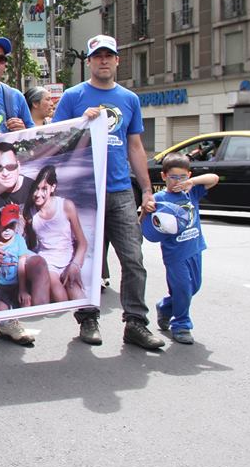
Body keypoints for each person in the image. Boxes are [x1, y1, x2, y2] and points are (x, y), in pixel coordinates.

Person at [52, 34, 165, 349]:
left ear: (117, 60)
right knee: (86, 259)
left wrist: (146, 189)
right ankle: (87, 319)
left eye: (109, 55)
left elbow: (135, 145)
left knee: (133, 259)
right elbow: (57, 139)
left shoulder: (129, 99)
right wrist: (79, 124)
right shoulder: (74, 97)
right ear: (89, 62)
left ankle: (136, 324)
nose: (103, 60)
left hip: (119, 192)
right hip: (85, 192)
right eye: (97, 55)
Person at [0, 142, 48, 345]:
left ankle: (30, 311)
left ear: (19, 165)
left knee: (39, 263)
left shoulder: (32, 188)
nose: (5, 173)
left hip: (23, 251)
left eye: (10, 166)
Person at [142, 153, 219, 344]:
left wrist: (191, 182)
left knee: (194, 287)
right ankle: (182, 324)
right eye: (173, 177)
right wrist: (146, 210)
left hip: (195, 248)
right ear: (163, 176)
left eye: (182, 177)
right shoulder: (159, 198)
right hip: (174, 254)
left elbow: (214, 178)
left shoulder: (191, 192)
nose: (177, 181)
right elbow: (145, 227)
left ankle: (166, 307)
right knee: (183, 288)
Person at [23, 165, 88, 302]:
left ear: (53, 188)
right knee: (60, 296)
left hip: (68, 259)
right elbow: (28, 241)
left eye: (43, 189)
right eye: (36, 188)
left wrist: (75, 265)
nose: (38, 194)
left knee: (76, 293)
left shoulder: (65, 206)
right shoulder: (30, 212)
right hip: (48, 261)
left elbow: (82, 243)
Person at [0, 204, 35, 312]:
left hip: (18, 284)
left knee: (27, 304)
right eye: (4, 226)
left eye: (11, 226)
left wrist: (23, 289)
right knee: (1, 309)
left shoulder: (19, 241)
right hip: (0, 287)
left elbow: (21, 266)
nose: (7, 230)